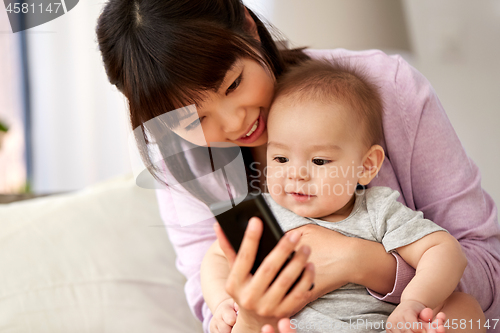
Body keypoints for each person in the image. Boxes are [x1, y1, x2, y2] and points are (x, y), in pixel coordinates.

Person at [95, 1, 500, 332]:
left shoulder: (376, 92)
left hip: (406, 318)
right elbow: (214, 295)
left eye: (233, 84)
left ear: (250, 28)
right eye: (193, 120)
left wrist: (362, 263)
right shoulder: (183, 161)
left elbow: (485, 264)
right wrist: (249, 316)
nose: (235, 123)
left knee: (465, 312)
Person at [201, 59, 483, 333]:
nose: (296, 174)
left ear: (366, 166)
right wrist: (222, 303)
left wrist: (415, 302)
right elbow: (215, 259)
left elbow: (445, 251)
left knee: (464, 310)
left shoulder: (377, 209)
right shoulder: (260, 212)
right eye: (281, 158)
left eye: (320, 161)